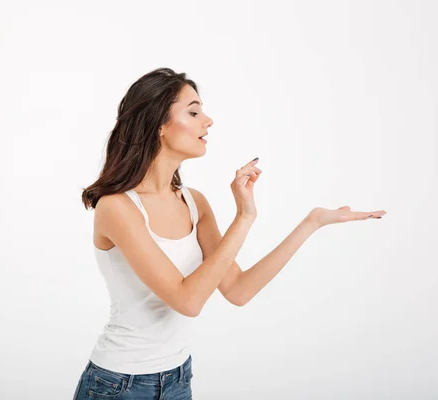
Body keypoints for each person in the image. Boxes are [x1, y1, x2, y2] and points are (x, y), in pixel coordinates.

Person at [73, 67, 386, 400]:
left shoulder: (195, 203)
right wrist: (242, 218)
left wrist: (311, 223)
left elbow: (238, 289)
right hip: (119, 384)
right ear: (159, 126)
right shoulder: (118, 207)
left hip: (178, 377)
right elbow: (187, 301)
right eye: (193, 111)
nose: (208, 121)